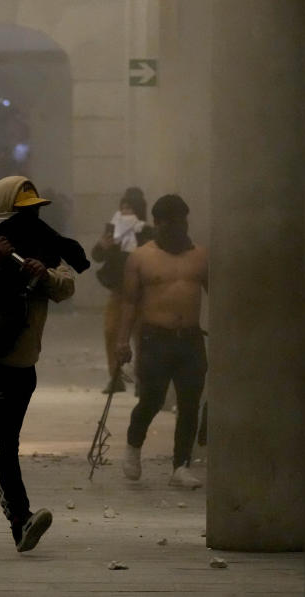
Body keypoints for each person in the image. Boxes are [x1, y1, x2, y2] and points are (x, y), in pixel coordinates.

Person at [0, 176, 87, 553]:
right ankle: (20, 520)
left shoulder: (43, 249)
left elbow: (67, 286)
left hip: (23, 364)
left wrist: (44, 275)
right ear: (6, 212)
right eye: (23, 212)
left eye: (35, 212)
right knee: (0, 443)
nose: (31, 218)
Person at [117, 194, 209, 489]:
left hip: (191, 340)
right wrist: (123, 343)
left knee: (190, 403)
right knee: (152, 399)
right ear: (157, 223)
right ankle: (133, 445)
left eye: (182, 221)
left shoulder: (201, 256)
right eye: (171, 222)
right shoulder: (141, 257)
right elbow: (130, 304)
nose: (178, 227)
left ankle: (180, 466)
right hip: (155, 338)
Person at [91, 187, 152, 394]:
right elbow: (97, 256)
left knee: (141, 336)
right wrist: (104, 246)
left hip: (142, 293)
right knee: (111, 331)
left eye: (130, 208)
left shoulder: (146, 232)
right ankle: (115, 377)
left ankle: (142, 379)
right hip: (118, 290)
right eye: (123, 207)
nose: (125, 212)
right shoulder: (113, 231)